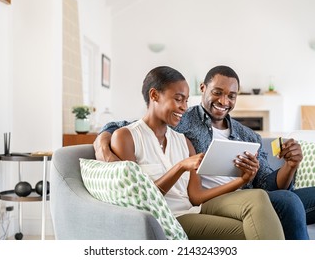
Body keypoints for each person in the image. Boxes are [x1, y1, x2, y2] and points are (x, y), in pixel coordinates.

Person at [94, 65, 315, 240]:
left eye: (232, 95)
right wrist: (103, 140)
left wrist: (290, 165)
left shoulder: (247, 135)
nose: (224, 101)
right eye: (217, 92)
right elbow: (131, 124)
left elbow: (268, 184)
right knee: (285, 202)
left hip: (250, 195)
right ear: (203, 90)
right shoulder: (185, 120)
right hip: (211, 203)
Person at [107, 65, 284, 240]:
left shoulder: (183, 142)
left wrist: (242, 180)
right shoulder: (126, 137)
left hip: (193, 210)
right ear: (154, 95)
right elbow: (140, 199)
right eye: (178, 99)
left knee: (259, 199)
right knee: (252, 231)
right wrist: (181, 166)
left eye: (186, 101)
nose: (184, 107)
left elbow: (196, 197)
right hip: (168, 219)